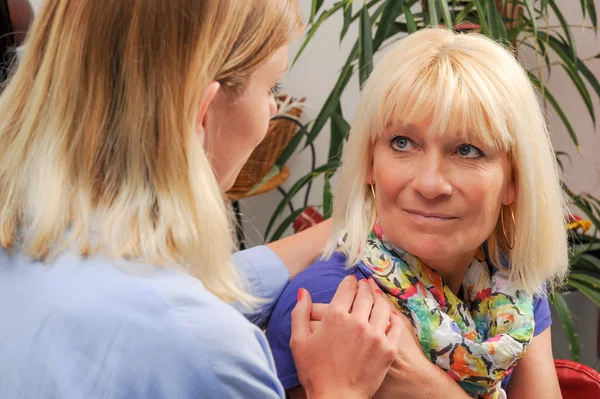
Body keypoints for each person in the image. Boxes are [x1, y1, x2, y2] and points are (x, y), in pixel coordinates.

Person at [0, 1, 403, 398]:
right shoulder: (210, 357)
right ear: (203, 113)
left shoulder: (38, 239)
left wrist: (346, 223)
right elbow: (178, 324)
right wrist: (339, 389)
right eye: (272, 88)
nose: (273, 108)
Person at [266, 28, 569, 399]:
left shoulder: (510, 290)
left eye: (468, 150)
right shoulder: (334, 303)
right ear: (369, 163)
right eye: (402, 143)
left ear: (514, 180)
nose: (430, 183)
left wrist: (427, 385)